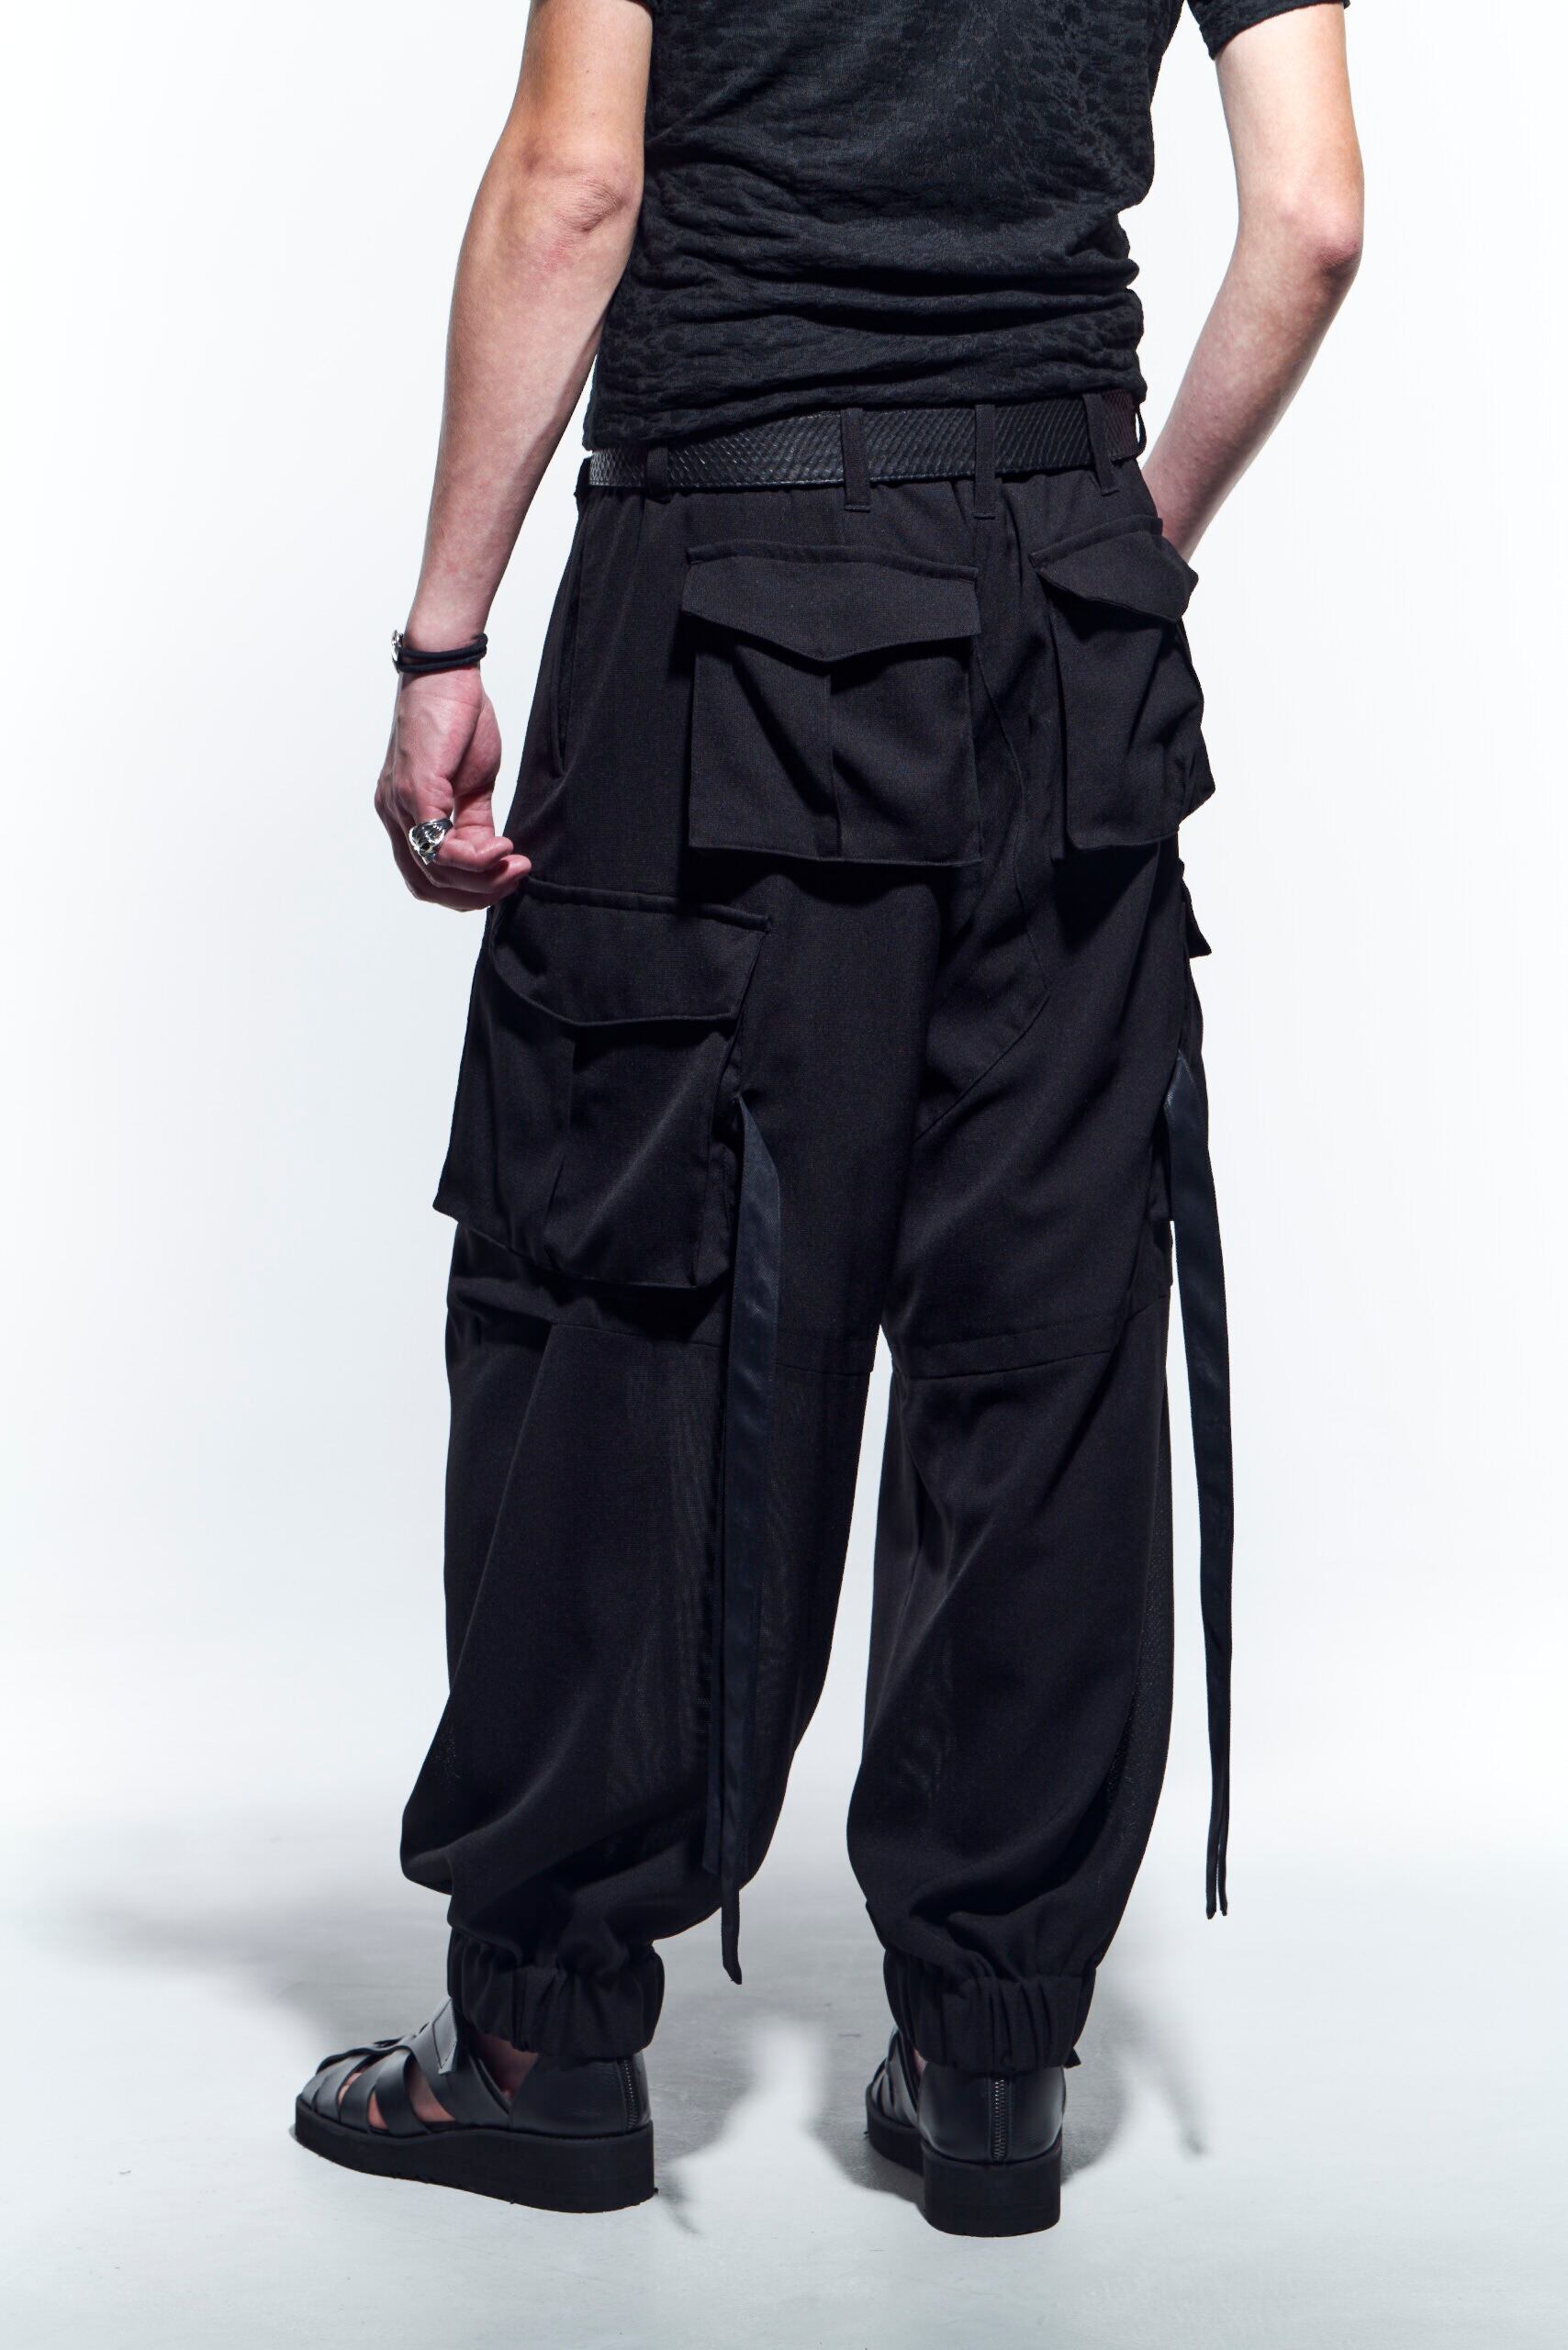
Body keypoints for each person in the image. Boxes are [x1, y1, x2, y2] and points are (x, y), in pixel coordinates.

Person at [294, 0, 1361, 2235]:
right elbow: (1310, 219)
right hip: (1061, 601)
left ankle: (542, 2042)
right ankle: (989, 2059)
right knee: (1039, 1334)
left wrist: (439, 642)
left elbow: (574, 186)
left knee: (633, 1298)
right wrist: (1107, 544)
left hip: (726, 593)